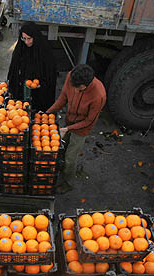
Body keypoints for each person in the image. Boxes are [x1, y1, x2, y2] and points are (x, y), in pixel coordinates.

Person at [46, 64, 107, 194]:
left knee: (70, 157)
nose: (75, 89)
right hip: (69, 120)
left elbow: (89, 121)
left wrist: (68, 128)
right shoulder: (72, 77)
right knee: (62, 146)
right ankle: (61, 167)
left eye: (78, 89)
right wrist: (47, 113)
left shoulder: (99, 95)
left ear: (86, 85)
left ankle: (68, 182)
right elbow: (63, 98)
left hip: (81, 128)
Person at [7, 22, 57, 111]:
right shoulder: (21, 48)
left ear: (35, 37)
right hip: (24, 87)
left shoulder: (44, 51)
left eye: (29, 38)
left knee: (39, 110)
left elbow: (50, 73)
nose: (27, 42)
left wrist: (41, 83)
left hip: (40, 89)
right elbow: (14, 68)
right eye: (24, 38)